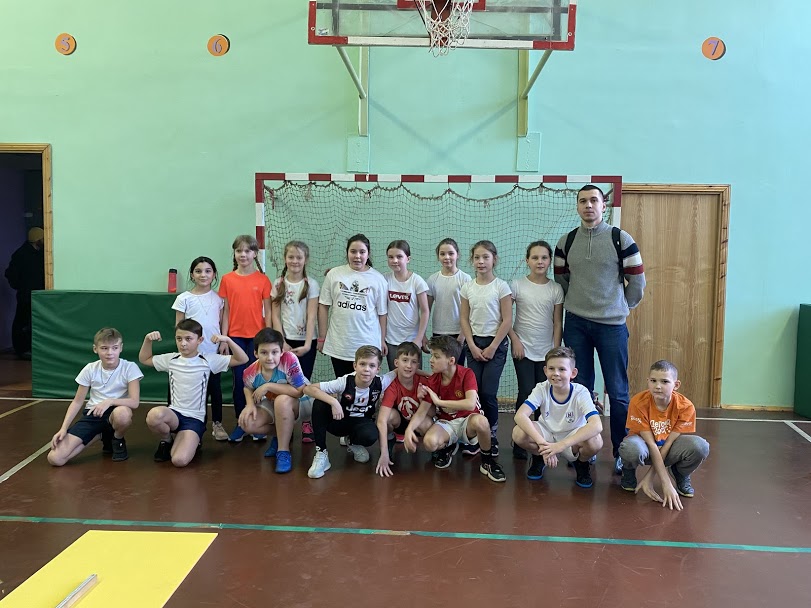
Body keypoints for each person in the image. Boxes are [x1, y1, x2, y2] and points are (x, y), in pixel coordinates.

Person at [554, 184, 646, 474]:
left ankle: (621, 451)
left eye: (594, 200)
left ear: (604, 205)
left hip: (612, 326)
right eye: (583, 201)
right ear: (577, 206)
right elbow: (561, 279)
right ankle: (585, 449)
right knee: (580, 389)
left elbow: (637, 281)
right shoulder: (566, 242)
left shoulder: (621, 239)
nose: (588, 205)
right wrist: (579, 301)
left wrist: (620, 306)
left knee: (617, 392)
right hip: (576, 324)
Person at [139, 320, 248, 468]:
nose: (183, 343)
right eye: (179, 339)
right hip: (174, 414)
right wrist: (147, 340)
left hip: (194, 419)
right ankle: (166, 440)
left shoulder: (208, 360)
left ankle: (191, 439)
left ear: (200, 340)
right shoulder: (171, 359)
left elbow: (243, 359)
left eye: (188, 339)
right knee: (154, 415)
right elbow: (144, 359)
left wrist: (227, 340)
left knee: (179, 460)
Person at [403, 335, 506, 482]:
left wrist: (439, 402)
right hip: (447, 423)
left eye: (436, 356)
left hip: (467, 421)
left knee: (482, 422)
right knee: (429, 443)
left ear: (451, 361)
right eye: (432, 355)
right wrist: (409, 430)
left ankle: (487, 462)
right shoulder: (433, 380)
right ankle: (448, 446)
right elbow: (421, 413)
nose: (431, 360)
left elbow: (470, 404)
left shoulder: (466, 374)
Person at [619, 360, 710, 510]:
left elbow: (668, 443)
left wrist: (651, 477)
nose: (658, 386)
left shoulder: (685, 406)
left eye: (665, 381)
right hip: (646, 448)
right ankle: (628, 471)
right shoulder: (638, 402)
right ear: (648, 381)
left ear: (676, 385)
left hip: (668, 448)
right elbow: (651, 443)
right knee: (630, 448)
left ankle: (680, 473)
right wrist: (665, 482)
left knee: (700, 446)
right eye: (653, 381)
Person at [47, 328, 142, 465]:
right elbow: (77, 402)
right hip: (94, 414)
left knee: (123, 414)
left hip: (116, 411)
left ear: (121, 348)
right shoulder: (90, 369)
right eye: (104, 348)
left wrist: (109, 401)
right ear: (95, 349)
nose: (110, 353)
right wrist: (63, 428)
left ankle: (117, 438)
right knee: (55, 459)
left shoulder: (130, 367)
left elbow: (134, 402)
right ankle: (101, 433)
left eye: (114, 348)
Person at [511, 346, 603, 487]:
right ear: (545, 370)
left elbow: (597, 425)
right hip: (547, 434)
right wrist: (543, 445)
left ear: (573, 373)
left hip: (571, 438)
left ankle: (581, 463)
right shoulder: (541, 388)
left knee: (595, 440)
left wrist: (561, 446)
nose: (556, 373)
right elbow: (520, 415)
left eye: (562, 369)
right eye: (551, 368)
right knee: (518, 433)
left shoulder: (581, 392)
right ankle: (539, 457)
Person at [508, 240, 564, 460]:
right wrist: (515, 340)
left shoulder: (555, 289)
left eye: (544, 258)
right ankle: (520, 440)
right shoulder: (516, 286)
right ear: (527, 261)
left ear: (549, 261)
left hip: (546, 352)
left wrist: (555, 351)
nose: (539, 262)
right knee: (525, 392)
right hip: (523, 350)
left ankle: (541, 441)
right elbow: (505, 318)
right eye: (535, 257)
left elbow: (557, 322)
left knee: (544, 397)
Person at [304, 345, 395, 478]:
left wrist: (424, 374)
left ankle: (352, 442)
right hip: (340, 421)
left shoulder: (381, 382)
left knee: (370, 435)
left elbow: (402, 369)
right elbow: (308, 389)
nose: (366, 369)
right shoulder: (344, 382)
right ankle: (321, 452)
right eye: (362, 364)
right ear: (355, 366)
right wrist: (333, 402)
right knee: (320, 403)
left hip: (361, 423)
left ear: (378, 369)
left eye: (372, 365)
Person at [459, 240, 512, 456]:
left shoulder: (501, 287)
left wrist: (492, 347)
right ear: (472, 261)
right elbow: (464, 319)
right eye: (477, 258)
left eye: (485, 257)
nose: (481, 261)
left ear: (494, 260)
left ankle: (491, 435)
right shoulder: (467, 287)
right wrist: (471, 345)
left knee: (488, 392)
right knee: (475, 393)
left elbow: (507, 320)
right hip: (474, 345)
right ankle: (475, 436)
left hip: (495, 346)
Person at [219, 234, 272, 443]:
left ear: (255, 254)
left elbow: (268, 311)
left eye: (247, 251)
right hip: (235, 338)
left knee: (258, 380)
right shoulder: (227, 279)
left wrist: (269, 338)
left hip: (257, 338)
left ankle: (256, 423)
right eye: (239, 251)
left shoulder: (263, 280)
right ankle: (241, 423)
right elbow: (225, 311)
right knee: (241, 381)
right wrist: (224, 339)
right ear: (234, 253)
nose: (243, 254)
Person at [237, 328, 309, 473]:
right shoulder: (249, 372)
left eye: (274, 352)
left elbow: (299, 391)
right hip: (275, 404)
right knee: (247, 423)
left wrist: (268, 386)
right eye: (264, 352)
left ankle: (283, 451)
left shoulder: (289, 359)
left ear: (282, 351)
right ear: (256, 353)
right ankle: (280, 436)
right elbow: (247, 387)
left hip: (304, 403)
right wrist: (249, 405)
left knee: (281, 400)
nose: (270, 358)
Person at [317, 234, 388, 377]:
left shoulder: (378, 279)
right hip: (339, 345)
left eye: (362, 252)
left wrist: (381, 340)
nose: (357, 256)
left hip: (368, 344)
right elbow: (323, 306)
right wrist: (322, 338)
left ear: (368, 254)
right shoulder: (334, 274)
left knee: (364, 386)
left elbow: (382, 314)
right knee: (343, 386)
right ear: (347, 253)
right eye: (353, 251)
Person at [172, 256, 227, 441]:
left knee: (214, 388)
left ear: (214, 274)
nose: (203, 275)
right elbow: (179, 327)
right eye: (198, 271)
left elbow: (221, 322)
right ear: (192, 275)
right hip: (191, 355)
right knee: (192, 392)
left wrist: (224, 342)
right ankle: (190, 426)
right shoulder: (184, 298)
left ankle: (217, 423)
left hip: (212, 352)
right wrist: (184, 348)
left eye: (208, 271)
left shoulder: (219, 298)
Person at [270, 240, 319, 443]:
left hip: (306, 341)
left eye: (299, 257)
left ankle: (307, 422)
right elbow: (275, 315)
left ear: (306, 259)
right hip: (285, 341)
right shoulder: (278, 284)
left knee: (303, 383)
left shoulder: (311, 284)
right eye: (291, 257)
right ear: (285, 258)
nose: (295, 261)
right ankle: (286, 423)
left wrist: (307, 344)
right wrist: (281, 342)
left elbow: (312, 316)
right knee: (284, 382)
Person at [375, 341, 434, 477]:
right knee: (389, 416)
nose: (409, 365)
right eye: (405, 360)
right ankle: (390, 440)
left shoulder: (424, 382)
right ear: (396, 362)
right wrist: (383, 453)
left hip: (418, 423)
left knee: (427, 423)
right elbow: (381, 420)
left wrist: (421, 399)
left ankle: (436, 449)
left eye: (413, 362)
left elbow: (431, 413)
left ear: (417, 366)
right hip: (400, 424)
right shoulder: (392, 385)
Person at [383, 240, 429, 371]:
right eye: (391, 257)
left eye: (399, 257)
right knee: (396, 377)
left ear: (408, 259)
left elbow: (425, 311)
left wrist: (419, 338)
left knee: (414, 377)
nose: (394, 260)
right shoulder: (384, 279)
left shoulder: (417, 281)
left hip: (412, 340)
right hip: (391, 340)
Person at [426, 238, 471, 366]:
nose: (447, 257)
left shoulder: (465, 279)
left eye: (451, 253)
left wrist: (462, 335)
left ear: (457, 254)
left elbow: (469, 311)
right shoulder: (432, 279)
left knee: (456, 370)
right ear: (438, 256)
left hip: (458, 333)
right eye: (442, 254)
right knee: (439, 368)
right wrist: (422, 334)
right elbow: (426, 310)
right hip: (438, 333)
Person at [4, 227, 45, 359]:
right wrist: (22, 287)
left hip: (36, 294)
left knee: (32, 322)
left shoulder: (39, 253)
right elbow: (11, 274)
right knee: (22, 322)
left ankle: (30, 349)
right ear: (37, 239)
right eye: (42, 238)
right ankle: (21, 349)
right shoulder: (21, 254)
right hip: (26, 295)